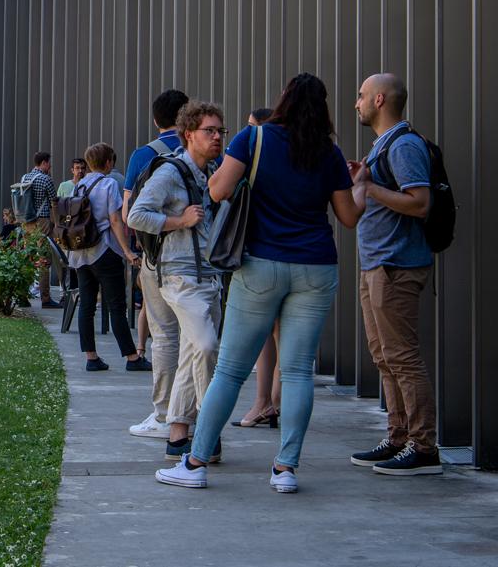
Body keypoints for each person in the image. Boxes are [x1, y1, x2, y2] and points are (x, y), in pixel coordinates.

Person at [156, 73, 364, 494]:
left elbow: (216, 191)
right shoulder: (328, 152)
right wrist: (358, 184)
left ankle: (194, 463)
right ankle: (286, 469)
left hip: (260, 264)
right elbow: (348, 217)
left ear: (283, 100)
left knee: (230, 370)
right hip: (316, 266)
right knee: (298, 371)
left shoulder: (255, 139)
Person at [348, 73, 441, 476]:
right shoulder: (384, 146)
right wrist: (365, 181)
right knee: (384, 358)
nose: (357, 103)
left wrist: (370, 189)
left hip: (397, 266)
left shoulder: (404, 145)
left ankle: (424, 447)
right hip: (377, 265)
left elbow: (420, 203)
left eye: (362, 96)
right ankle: (398, 435)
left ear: (380, 99)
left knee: (402, 358)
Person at [128, 101, 228, 462]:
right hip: (180, 277)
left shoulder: (213, 171)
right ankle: (208, 429)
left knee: (191, 352)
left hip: (209, 277)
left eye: (221, 131)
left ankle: (177, 435)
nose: (217, 137)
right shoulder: (171, 173)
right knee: (204, 346)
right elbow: (136, 214)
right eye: (209, 131)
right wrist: (178, 221)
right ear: (188, 134)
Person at [122, 88, 189, 438]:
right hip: (197, 260)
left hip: (158, 257)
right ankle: (193, 418)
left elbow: (128, 211)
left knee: (164, 337)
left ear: (155, 119)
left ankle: (163, 415)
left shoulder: (143, 156)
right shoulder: (203, 152)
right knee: (197, 341)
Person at [67, 143, 139, 372]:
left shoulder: (78, 186)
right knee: (117, 305)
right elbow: (115, 220)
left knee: (86, 305)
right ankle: (131, 357)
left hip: (81, 252)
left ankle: (91, 357)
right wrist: (127, 251)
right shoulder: (108, 183)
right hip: (104, 250)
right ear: (108, 163)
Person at [235, 106, 283, 429]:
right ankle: (269, 403)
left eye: (253, 127)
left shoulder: (258, 154)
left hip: (266, 256)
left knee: (274, 335)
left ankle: (267, 404)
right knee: (277, 336)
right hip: (291, 257)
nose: (247, 131)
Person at [20, 151, 60, 308]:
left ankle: (22, 295)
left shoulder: (24, 178)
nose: (50, 166)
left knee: (27, 258)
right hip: (42, 221)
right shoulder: (46, 179)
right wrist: (57, 224)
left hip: (26, 221)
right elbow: (54, 202)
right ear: (44, 163)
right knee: (44, 259)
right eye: (49, 163)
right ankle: (45, 298)